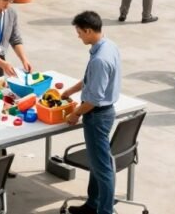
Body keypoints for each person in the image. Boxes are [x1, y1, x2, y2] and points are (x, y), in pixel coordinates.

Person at [60, 11, 121, 214]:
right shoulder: (108, 46)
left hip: (97, 116)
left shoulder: (99, 59)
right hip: (104, 113)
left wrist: (75, 113)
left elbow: (94, 99)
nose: (78, 36)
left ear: (88, 31)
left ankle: (105, 211)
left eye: (79, 32)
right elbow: (91, 80)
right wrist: (70, 91)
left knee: (102, 169)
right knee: (96, 164)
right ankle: (93, 204)